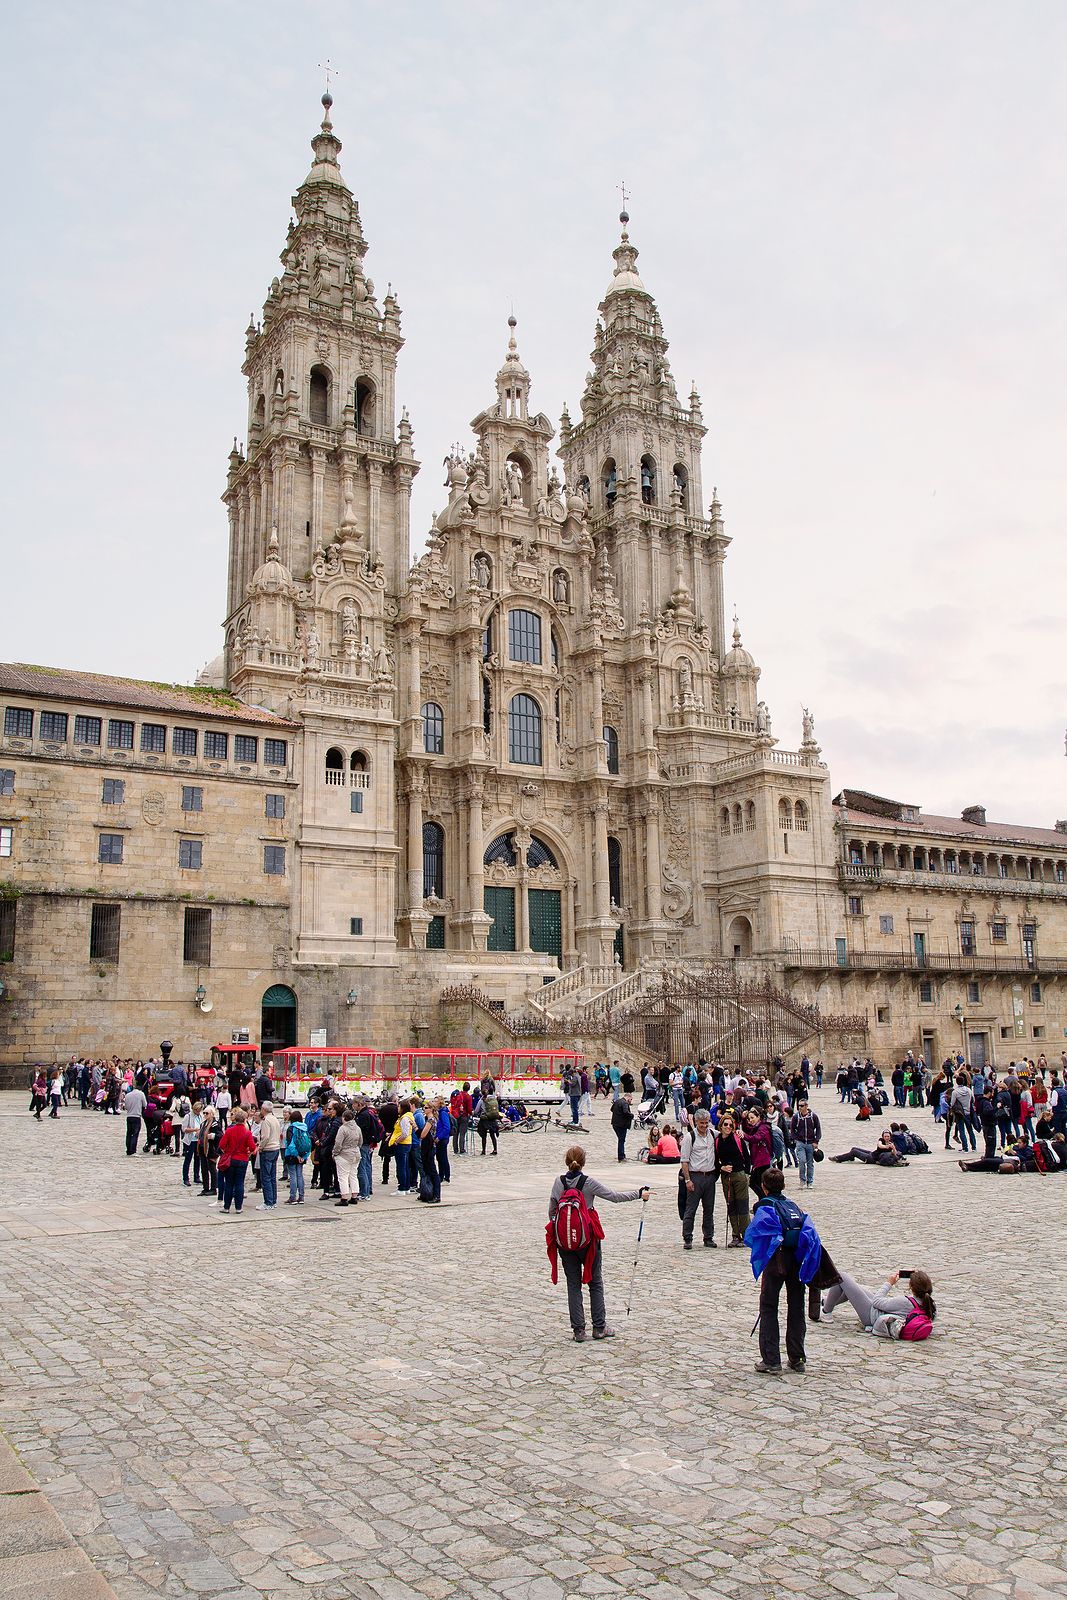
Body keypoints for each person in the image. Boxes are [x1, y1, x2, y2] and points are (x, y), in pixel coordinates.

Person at [546, 1145, 650, 1342]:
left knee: (573, 1284)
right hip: (588, 1240)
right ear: (583, 1162)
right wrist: (638, 1194)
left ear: (566, 1161)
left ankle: (578, 1331)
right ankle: (599, 1327)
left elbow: (551, 1211)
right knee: (595, 1281)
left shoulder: (558, 1182)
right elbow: (614, 1197)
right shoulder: (588, 1182)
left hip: (565, 1242)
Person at [746, 1169, 832, 1374]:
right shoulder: (793, 1207)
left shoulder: (764, 1207)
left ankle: (771, 1359)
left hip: (776, 1261)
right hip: (796, 1261)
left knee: (768, 1307)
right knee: (796, 1307)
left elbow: (756, 1236)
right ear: (783, 1186)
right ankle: (797, 1357)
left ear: (764, 1187)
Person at [823, 1267, 936, 1340]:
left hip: (871, 1316)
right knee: (851, 1288)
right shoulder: (928, 1303)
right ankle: (826, 1302)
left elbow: (877, 1302)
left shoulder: (905, 1302)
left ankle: (825, 1312)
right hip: (880, 1312)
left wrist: (889, 1283)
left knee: (841, 1277)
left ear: (911, 1287)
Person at [679, 1108, 718, 1250]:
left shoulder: (713, 1134)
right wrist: (688, 1180)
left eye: (706, 1123)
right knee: (691, 1209)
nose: (704, 1126)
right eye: (701, 1123)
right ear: (696, 1122)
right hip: (695, 1176)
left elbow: (726, 1137)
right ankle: (687, 1237)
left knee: (709, 1209)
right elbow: (684, 1161)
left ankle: (708, 1237)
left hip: (710, 1176)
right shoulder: (690, 1137)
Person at [716, 1112, 750, 1246]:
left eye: (731, 1125)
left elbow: (746, 1157)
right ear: (721, 1125)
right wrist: (721, 1168)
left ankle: (745, 1235)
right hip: (726, 1177)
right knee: (731, 1207)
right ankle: (735, 1235)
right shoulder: (718, 1140)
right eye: (726, 1124)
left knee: (742, 1206)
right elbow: (714, 1160)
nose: (728, 1127)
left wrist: (747, 1174)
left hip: (739, 1175)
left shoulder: (737, 1138)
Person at [216, 1108, 257, 1214]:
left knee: (229, 1183)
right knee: (239, 1183)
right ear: (244, 1120)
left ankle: (226, 1207)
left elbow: (221, 1145)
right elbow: (252, 1148)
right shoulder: (247, 1133)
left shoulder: (229, 1131)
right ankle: (239, 1207)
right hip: (242, 1160)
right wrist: (248, 1151)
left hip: (231, 1160)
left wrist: (228, 1150)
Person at [254, 1100, 282, 1210]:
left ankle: (268, 1202)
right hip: (275, 1148)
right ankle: (273, 1200)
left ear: (264, 1110)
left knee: (266, 1177)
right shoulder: (275, 1119)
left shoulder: (266, 1121)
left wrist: (260, 1147)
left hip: (268, 1149)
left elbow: (265, 1137)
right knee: (272, 1177)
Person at [332, 1109, 363, 1207]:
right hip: (356, 1153)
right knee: (353, 1175)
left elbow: (338, 1143)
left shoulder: (343, 1128)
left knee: (343, 1177)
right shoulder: (357, 1128)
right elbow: (360, 1142)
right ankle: (354, 1196)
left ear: (344, 1118)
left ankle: (344, 1197)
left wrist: (335, 1153)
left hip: (344, 1155)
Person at [789, 1097, 822, 1188]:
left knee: (810, 1163)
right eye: (799, 1106)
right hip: (800, 1143)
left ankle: (810, 1181)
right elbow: (792, 1129)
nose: (800, 1107)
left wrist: (816, 1141)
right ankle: (802, 1180)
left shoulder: (813, 1116)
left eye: (802, 1106)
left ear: (806, 1106)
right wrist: (795, 1138)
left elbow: (818, 1128)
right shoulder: (796, 1117)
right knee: (802, 1161)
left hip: (811, 1143)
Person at [282, 1108, 311, 1203]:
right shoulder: (305, 1127)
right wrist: (304, 1156)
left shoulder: (292, 1128)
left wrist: (296, 1155)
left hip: (292, 1155)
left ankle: (293, 1197)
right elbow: (308, 1143)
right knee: (300, 1175)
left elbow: (290, 1144)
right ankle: (301, 1197)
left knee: (293, 1176)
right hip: (303, 1154)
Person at [830, 1131, 909, 1166]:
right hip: (873, 1154)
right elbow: (880, 1145)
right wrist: (886, 1146)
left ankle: (838, 1158)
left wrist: (893, 1148)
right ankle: (850, 1157)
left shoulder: (892, 1143)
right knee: (854, 1148)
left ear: (890, 1137)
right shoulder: (881, 1140)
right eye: (885, 1136)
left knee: (854, 1151)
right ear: (883, 1136)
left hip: (871, 1159)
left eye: (888, 1136)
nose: (887, 1138)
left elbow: (894, 1154)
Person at [388, 1100, 415, 1193]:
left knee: (401, 1166)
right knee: (405, 1166)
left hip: (403, 1144)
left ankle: (402, 1187)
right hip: (407, 1143)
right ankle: (406, 1186)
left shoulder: (404, 1118)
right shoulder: (408, 1116)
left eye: (399, 1107)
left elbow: (405, 1133)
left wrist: (396, 1141)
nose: (398, 1109)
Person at [180, 1099, 202, 1187]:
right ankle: (186, 1178)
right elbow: (184, 1129)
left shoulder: (200, 1117)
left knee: (198, 1159)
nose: (198, 1112)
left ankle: (196, 1176)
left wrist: (199, 1131)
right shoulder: (188, 1116)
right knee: (188, 1159)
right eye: (197, 1110)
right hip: (189, 1141)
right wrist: (194, 1130)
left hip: (197, 1140)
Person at [124, 1081, 146, 1153]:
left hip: (129, 1116)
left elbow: (126, 1107)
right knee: (135, 1134)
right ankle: (133, 1150)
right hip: (136, 1116)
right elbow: (144, 1104)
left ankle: (128, 1149)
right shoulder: (141, 1094)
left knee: (129, 1133)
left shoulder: (128, 1095)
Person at [611, 1094, 634, 1162]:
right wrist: (631, 1115)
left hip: (615, 1123)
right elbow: (626, 1112)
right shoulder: (624, 1103)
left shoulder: (617, 1101)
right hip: (622, 1124)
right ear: (628, 1098)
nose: (631, 1101)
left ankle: (622, 1154)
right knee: (621, 1140)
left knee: (620, 1139)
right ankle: (621, 1156)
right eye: (631, 1099)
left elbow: (612, 1109)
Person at [478, 1088, 500, 1155]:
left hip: (484, 1119)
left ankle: (483, 1150)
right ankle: (495, 1149)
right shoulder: (494, 1099)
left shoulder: (481, 1101)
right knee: (492, 1135)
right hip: (492, 1119)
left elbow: (476, 1110)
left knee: (484, 1136)